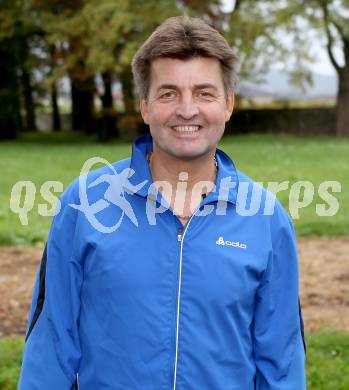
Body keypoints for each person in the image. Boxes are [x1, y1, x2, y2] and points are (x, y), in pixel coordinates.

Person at [18, 16, 306, 389]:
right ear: (145, 107)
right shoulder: (85, 204)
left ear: (228, 105)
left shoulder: (266, 218)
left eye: (204, 93)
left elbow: (281, 362)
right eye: (168, 94)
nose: (187, 110)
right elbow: (51, 345)